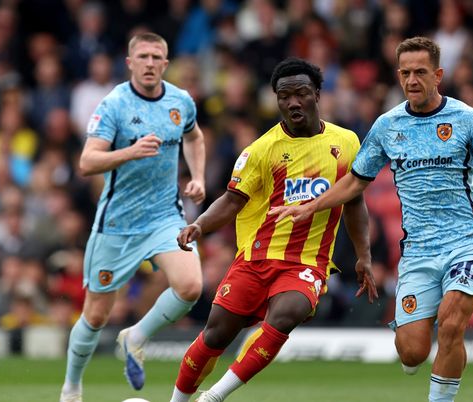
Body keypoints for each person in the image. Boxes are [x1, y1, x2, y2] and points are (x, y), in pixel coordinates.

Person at [270, 37, 473, 402]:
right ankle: (419, 345)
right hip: (418, 253)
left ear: (438, 74)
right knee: (412, 351)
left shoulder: (468, 120)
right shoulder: (388, 126)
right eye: (405, 73)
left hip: (466, 243)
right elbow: (357, 181)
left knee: (452, 323)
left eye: (420, 72)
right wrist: (311, 206)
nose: (412, 80)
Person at [170, 58, 377, 402]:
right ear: (277, 100)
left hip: (306, 262)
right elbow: (231, 200)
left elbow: (355, 202)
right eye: (284, 96)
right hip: (256, 257)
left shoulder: (347, 142)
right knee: (216, 335)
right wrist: (199, 224)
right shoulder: (261, 150)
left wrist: (364, 256)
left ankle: (215, 396)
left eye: (301, 93)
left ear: (317, 95)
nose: (293, 102)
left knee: (287, 313)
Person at [59, 32, 206, 402]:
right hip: (117, 224)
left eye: (157, 57)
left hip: (164, 217)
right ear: (130, 63)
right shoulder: (113, 105)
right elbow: (87, 162)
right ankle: (72, 386)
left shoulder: (180, 101)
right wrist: (131, 151)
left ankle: (136, 337)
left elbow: (195, 137)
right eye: (143, 56)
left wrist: (199, 176)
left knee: (190, 286)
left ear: (166, 64)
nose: (150, 63)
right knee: (95, 316)